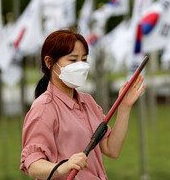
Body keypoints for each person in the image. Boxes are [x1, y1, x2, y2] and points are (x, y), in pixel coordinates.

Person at [20, 29, 146, 180]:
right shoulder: (43, 107)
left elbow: (111, 149)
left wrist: (124, 107)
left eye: (84, 59)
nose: (81, 65)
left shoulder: (88, 102)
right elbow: (33, 165)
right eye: (73, 60)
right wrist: (64, 167)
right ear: (49, 62)